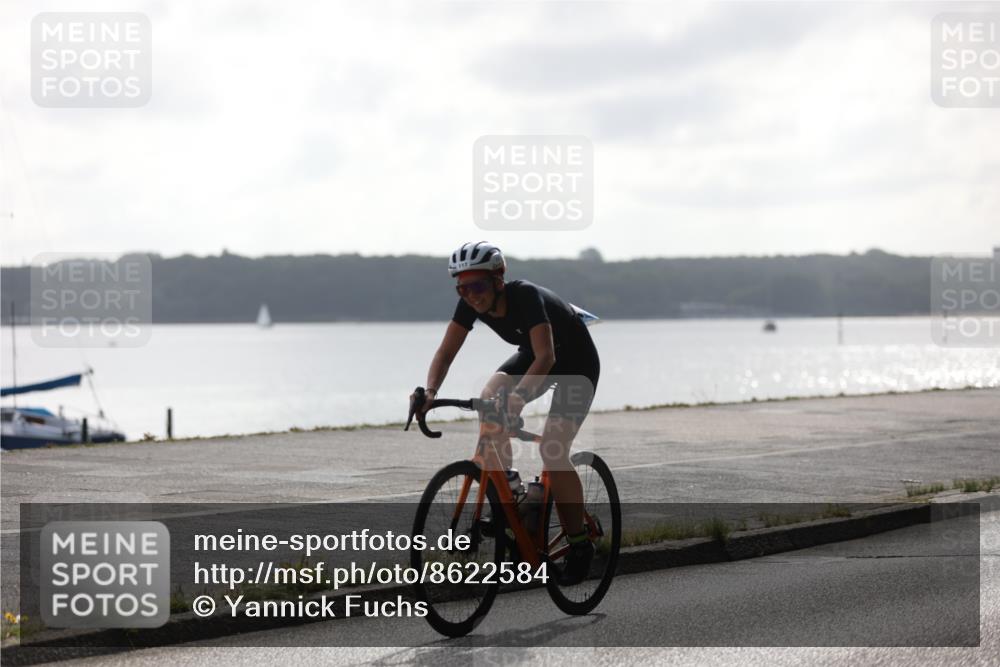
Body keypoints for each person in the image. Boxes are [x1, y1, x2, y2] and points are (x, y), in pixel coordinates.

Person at [416, 241, 601, 585]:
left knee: (552, 449)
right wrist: (429, 392)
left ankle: (579, 544)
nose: (471, 295)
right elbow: (445, 353)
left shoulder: (526, 296)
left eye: (478, 286)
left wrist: (518, 398)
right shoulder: (470, 303)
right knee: (489, 398)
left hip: (575, 363)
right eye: (462, 287)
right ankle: (512, 491)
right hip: (534, 356)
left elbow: (547, 358)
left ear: (498, 280)